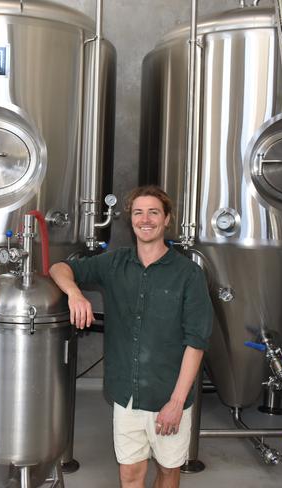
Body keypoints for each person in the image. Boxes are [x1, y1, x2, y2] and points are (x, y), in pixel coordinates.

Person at [49, 185, 212, 488]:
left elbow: (196, 342)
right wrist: (74, 294)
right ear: (131, 219)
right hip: (127, 395)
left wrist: (176, 403)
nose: (145, 219)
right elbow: (58, 268)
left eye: (153, 212)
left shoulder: (189, 274)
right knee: (130, 474)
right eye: (138, 212)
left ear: (166, 220)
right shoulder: (115, 263)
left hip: (168, 395)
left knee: (167, 471)